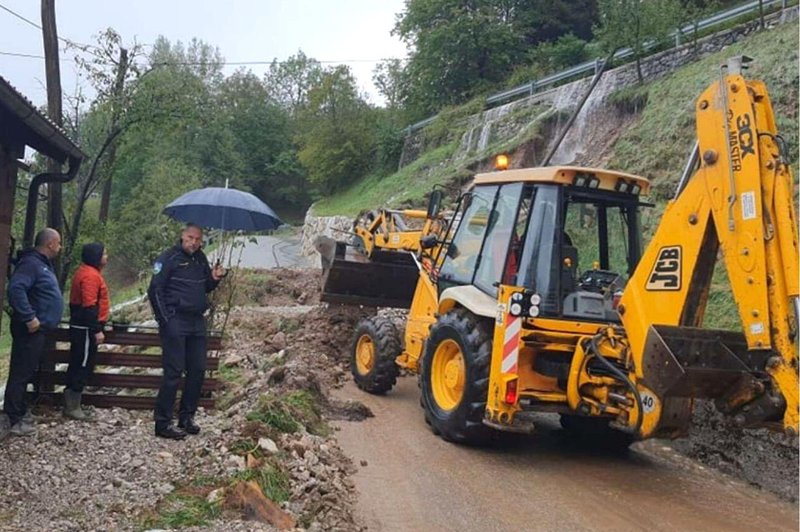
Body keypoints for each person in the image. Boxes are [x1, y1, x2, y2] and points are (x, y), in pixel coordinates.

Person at [148, 223, 224, 440]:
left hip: (197, 321)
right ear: (182, 236)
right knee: (173, 372)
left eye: (198, 239)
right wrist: (165, 320)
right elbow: (154, 289)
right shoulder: (168, 258)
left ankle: (186, 417)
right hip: (175, 320)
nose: (194, 242)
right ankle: (163, 422)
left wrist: (215, 278)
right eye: (190, 237)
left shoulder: (200, 258)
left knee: (198, 370)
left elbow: (205, 286)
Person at [2, 228, 63, 438]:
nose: (60, 247)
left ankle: (19, 412)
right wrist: (29, 317)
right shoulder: (31, 264)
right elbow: (15, 289)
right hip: (30, 329)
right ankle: (14, 416)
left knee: (25, 371)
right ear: (50, 244)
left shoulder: (41, 264)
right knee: (21, 372)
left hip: (38, 330)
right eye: (59, 243)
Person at [64, 242, 110, 420]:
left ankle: (75, 404)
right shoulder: (90, 276)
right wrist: (97, 329)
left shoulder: (88, 272)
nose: (106, 257)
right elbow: (89, 305)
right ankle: (72, 407)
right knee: (81, 364)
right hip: (84, 329)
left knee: (81, 363)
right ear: (95, 256)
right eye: (104, 254)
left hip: (84, 327)